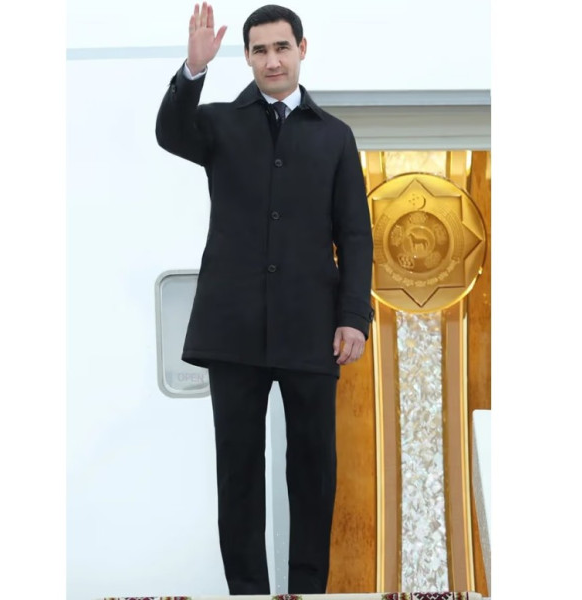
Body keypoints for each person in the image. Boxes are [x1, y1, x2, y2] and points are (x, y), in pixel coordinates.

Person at [155, 3, 374, 594]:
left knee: (314, 473)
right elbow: (170, 133)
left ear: (302, 48)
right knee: (239, 474)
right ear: (248, 57)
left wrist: (354, 317)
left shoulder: (335, 136)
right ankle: (246, 594)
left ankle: (307, 590)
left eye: (281, 47)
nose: (272, 60)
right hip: (234, 331)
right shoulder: (220, 123)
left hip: (312, 331)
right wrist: (193, 70)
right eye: (259, 50)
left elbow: (355, 234)